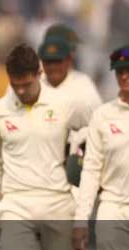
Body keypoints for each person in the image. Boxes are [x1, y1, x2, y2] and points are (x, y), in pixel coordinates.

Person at [0, 44, 91, 250]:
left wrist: (80, 209)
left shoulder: (66, 104)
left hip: (59, 204)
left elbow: (93, 140)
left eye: (26, 84)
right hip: (15, 204)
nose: (21, 91)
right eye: (16, 86)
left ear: (39, 74)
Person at [73, 45, 129, 250]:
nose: (125, 76)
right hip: (112, 210)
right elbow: (91, 170)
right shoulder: (103, 115)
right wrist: (81, 220)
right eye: (120, 71)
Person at [38, 34, 102, 186]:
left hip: (71, 165)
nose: (52, 67)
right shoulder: (34, 85)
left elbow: (97, 130)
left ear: (68, 61)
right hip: (39, 165)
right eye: (48, 61)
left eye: (57, 61)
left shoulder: (83, 87)